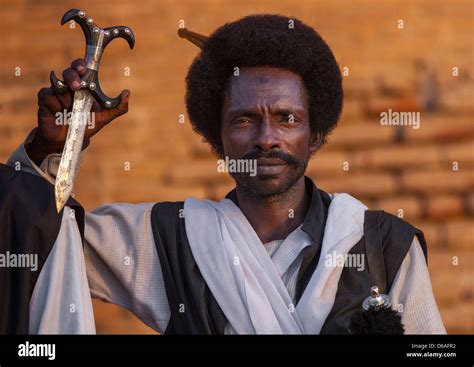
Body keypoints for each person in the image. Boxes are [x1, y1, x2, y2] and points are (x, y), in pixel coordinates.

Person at [2, 14, 445, 334]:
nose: (267, 138)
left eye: (288, 119)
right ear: (218, 137)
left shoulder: (386, 248)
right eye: (245, 119)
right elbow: (38, 240)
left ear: (316, 134)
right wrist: (54, 146)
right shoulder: (168, 240)